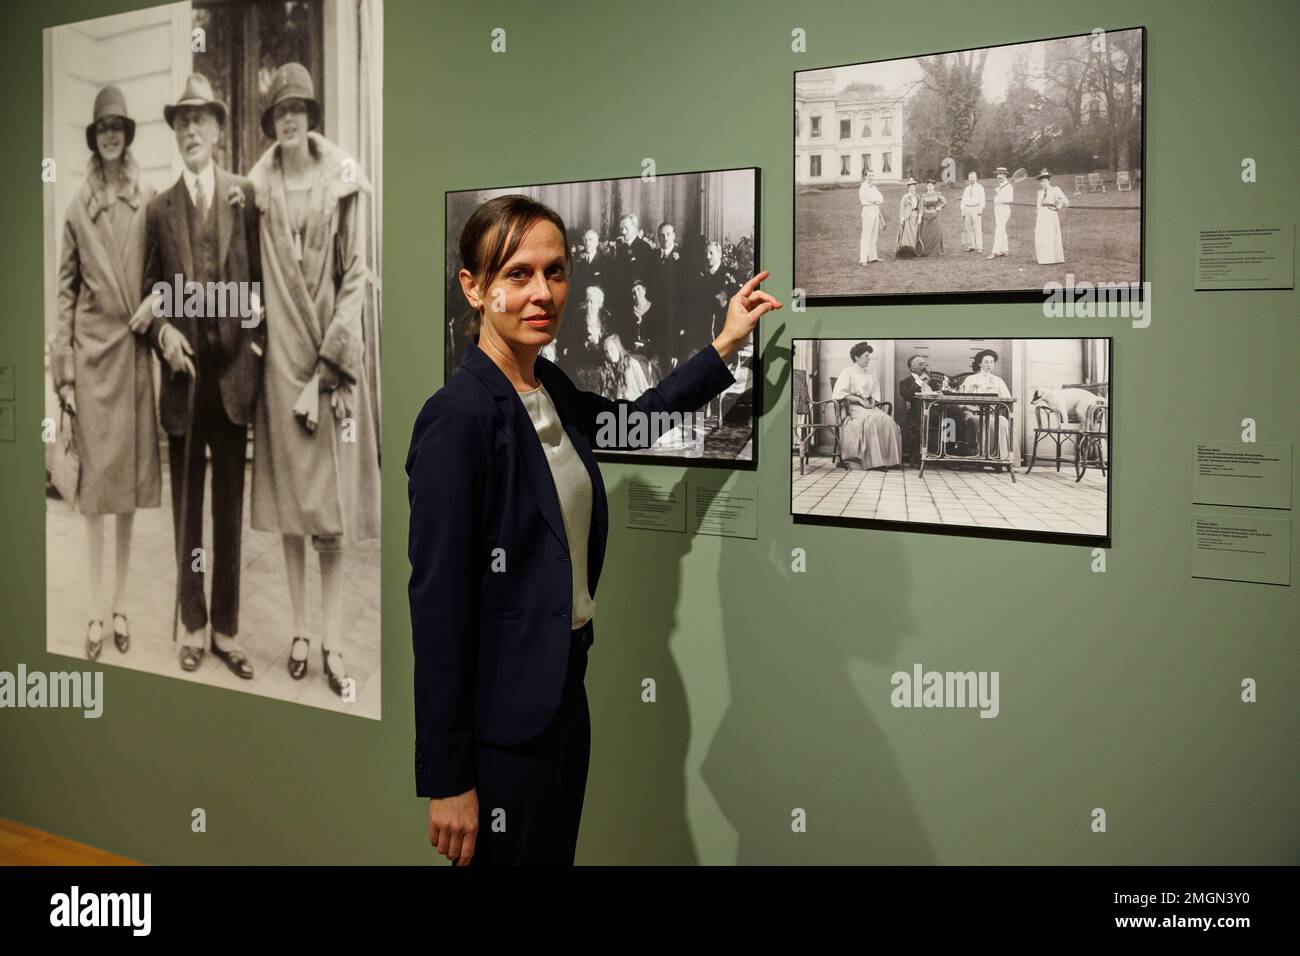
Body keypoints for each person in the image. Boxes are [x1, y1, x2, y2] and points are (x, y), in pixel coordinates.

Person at [406, 194, 780, 866]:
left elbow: (635, 423)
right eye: (517, 274)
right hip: (500, 728)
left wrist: (723, 345)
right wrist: (448, 778)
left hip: (560, 698)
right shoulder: (456, 420)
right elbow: (436, 611)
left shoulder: (548, 387)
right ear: (474, 286)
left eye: (555, 271)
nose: (542, 292)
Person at [246, 62, 381, 696]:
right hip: (280, 363)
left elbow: (357, 276)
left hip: (332, 365)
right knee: (293, 509)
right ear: (271, 123)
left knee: (331, 512)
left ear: (311, 116)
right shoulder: (256, 191)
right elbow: (247, 279)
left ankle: (332, 637)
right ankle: (298, 628)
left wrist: (328, 365)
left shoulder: (343, 184)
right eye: (280, 111)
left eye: (299, 108)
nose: (290, 118)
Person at [135, 73, 264, 677]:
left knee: (228, 512)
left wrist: (255, 346)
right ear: (177, 132)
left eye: (201, 120)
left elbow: (261, 286)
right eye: (182, 121)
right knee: (188, 515)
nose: (191, 129)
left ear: (217, 129)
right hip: (185, 382)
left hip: (233, 377)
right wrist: (164, 338)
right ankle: (191, 623)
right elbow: (149, 294)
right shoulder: (160, 209)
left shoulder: (244, 196)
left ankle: (226, 630)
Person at [52, 85, 161, 659]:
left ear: (127, 134)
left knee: (126, 494)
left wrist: (159, 304)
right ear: (94, 139)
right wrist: (63, 370)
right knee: (96, 490)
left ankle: (120, 604)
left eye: (118, 126)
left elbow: (162, 274)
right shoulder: (77, 205)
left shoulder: (147, 198)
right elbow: (64, 292)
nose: (111, 135)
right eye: (102, 128)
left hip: (134, 353)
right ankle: (94, 610)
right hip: (94, 359)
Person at [830, 342, 901, 470]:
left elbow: (875, 392)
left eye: (869, 356)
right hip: (853, 408)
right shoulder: (847, 373)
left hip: (869, 406)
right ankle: (875, 462)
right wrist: (858, 400)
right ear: (857, 358)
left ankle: (889, 460)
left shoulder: (870, 373)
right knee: (872, 422)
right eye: (866, 356)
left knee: (887, 420)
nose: (869, 359)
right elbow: (841, 393)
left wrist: (873, 401)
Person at [958, 349, 1013, 464]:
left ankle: (999, 458)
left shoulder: (998, 381)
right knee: (982, 421)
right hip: (972, 413)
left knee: (1003, 422)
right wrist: (972, 407)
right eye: (986, 362)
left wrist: (996, 407)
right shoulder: (970, 379)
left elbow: (1007, 399)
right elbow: (961, 399)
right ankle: (981, 456)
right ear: (980, 363)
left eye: (992, 362)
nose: (989, 365)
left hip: (992, 413)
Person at [897, 355, 948, 468]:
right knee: (920, 413)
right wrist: (919, 381)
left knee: (953, 415)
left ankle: (951, 454)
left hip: (936, 412)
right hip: (918, 413)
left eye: (924, 363)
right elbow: (906, 395)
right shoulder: (905, 382)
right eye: (920, 364)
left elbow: (941, 393)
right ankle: (916, 456)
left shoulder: (932, 381)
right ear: (912, 368)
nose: (924, 366)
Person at [1034, 169, 1069, 265]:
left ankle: (1051, 259)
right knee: (1040, 235)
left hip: (1051, 214)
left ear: (1049, 181)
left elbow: (1065, 201)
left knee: (1050, 235)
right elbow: (1038, 204)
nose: (1042, 183)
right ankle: (1043, 258)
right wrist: (1039, 211)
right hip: (1041, 215)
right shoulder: (1040, 192)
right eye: (1041, 181)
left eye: (1044, 181)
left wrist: (1057, 208)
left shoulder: (1055, 189)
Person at [857, 169, 884, 264]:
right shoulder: (863, 187)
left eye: (872, 175)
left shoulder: (873, 187)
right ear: (865, 177)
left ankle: (873, 257)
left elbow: (881, 198)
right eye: (869, 175)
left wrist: (876, 200)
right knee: (866, 235)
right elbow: (870, 198)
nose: (871, 177)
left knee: (874, 235)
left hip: (875, 209)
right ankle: (863, 259)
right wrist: (875, 200)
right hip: (868, 210)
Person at [987, 166, 1013, 259]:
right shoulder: (1002, 185)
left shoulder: (1008, 186)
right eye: (998, 174)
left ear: (1005, 175)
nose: (999, 176)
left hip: (1004, 209)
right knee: (1002, 230)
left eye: (1001, 174)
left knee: (998, 230)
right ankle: (1004, 250)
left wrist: (999, 192)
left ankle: (995, 252)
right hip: (998, 209)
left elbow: (1009, 200)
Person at [917, 179, 946, 257]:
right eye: (929, 185)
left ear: (934, 186)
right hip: (926, 216)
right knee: (925, 234)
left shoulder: (937, 194)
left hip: (935, 216)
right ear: (927, 186)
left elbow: (944, 202)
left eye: (932, 185)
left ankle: (936, 251)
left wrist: (939, 207)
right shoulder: (924, 195)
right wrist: (920, 217)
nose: (930, 187)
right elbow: (921, 206)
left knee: (936, 233)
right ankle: (926, 251)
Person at [960, 170, 985, 253]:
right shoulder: (966, 189)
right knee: (969, 228)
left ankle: (979, 247)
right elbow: (963, 200)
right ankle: (971, 246)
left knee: (977, 228)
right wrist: (963, 211)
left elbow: (982, 200)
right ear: (968, 178)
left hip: (976, 208)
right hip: (967, 209)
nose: (971, 179)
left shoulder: (980, 187)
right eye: (970, 177)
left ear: (976, 178)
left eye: (973, 177)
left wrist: (980, 209)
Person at [895, 178, 921, 257]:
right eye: (910, 187)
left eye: (913, 187)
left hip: (915, 215)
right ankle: (906, 250)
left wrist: (919, 216)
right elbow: (902, 208)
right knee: (907, 233)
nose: (912, 188)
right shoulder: (905, 196)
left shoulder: (917, 195)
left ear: (915, 187)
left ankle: (914, 249)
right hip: (907, 217)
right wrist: (902, 218)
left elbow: (920, 206)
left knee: (914, 233)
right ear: (908, 188)